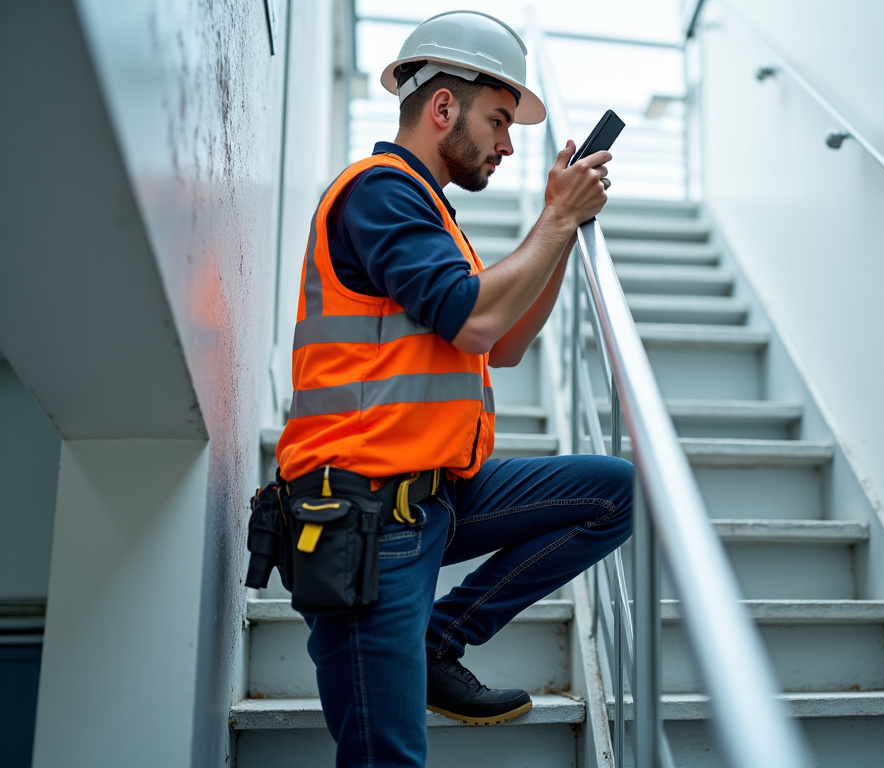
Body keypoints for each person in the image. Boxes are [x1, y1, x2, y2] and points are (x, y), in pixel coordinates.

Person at [271, 10, 633, 767]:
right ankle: (424, 647)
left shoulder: (432, 215)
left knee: (616, 493)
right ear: (443, 108)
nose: (507, 144)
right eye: (499, 121)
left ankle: (438, 642)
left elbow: (504, 343)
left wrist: (556, 227)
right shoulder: (379, 194)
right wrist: (558, 217)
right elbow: (474, 319)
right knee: (388, 759)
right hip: (367, 520)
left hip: (436, 496)